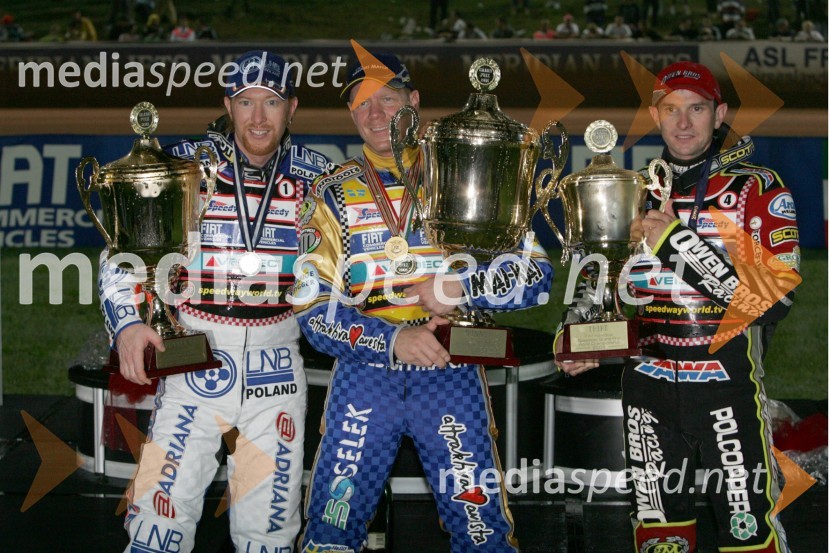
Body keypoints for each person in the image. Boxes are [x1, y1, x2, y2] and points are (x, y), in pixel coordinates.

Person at [293, 53, 553, 552]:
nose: (375, 114)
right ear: (351, 115)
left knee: (482, 532)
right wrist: (394, 341)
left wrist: (461, 286)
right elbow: (310, 309)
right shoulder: (329, 195)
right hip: (365, 374)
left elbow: (536, 275)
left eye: (387, 99)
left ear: (414, 102)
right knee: (331, 528)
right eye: (362, 104)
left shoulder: (466, 172)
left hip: (451, 372)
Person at [555, 61, 798, 552]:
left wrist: (675, 241)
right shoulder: (633, 188)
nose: (683, 123)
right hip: (647, 390)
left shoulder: (754, 188)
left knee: (749, 536)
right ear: (654, 114)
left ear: (719, 113)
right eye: (671, 109)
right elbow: (598, 279)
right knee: (660, 539)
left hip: (726, 388)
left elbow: (775, 299)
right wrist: (575, 329)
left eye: (697, 109)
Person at [98, 50, 330, 553]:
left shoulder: (321, 180)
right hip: (194, 363)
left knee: (268, 535)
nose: (259, 117)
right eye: (246, 102)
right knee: (158, 523)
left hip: (278, 373)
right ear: (228, 104)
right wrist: (128, 325)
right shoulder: (182, 166)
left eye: (271, 102)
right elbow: (120, 253)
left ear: (293, 106)